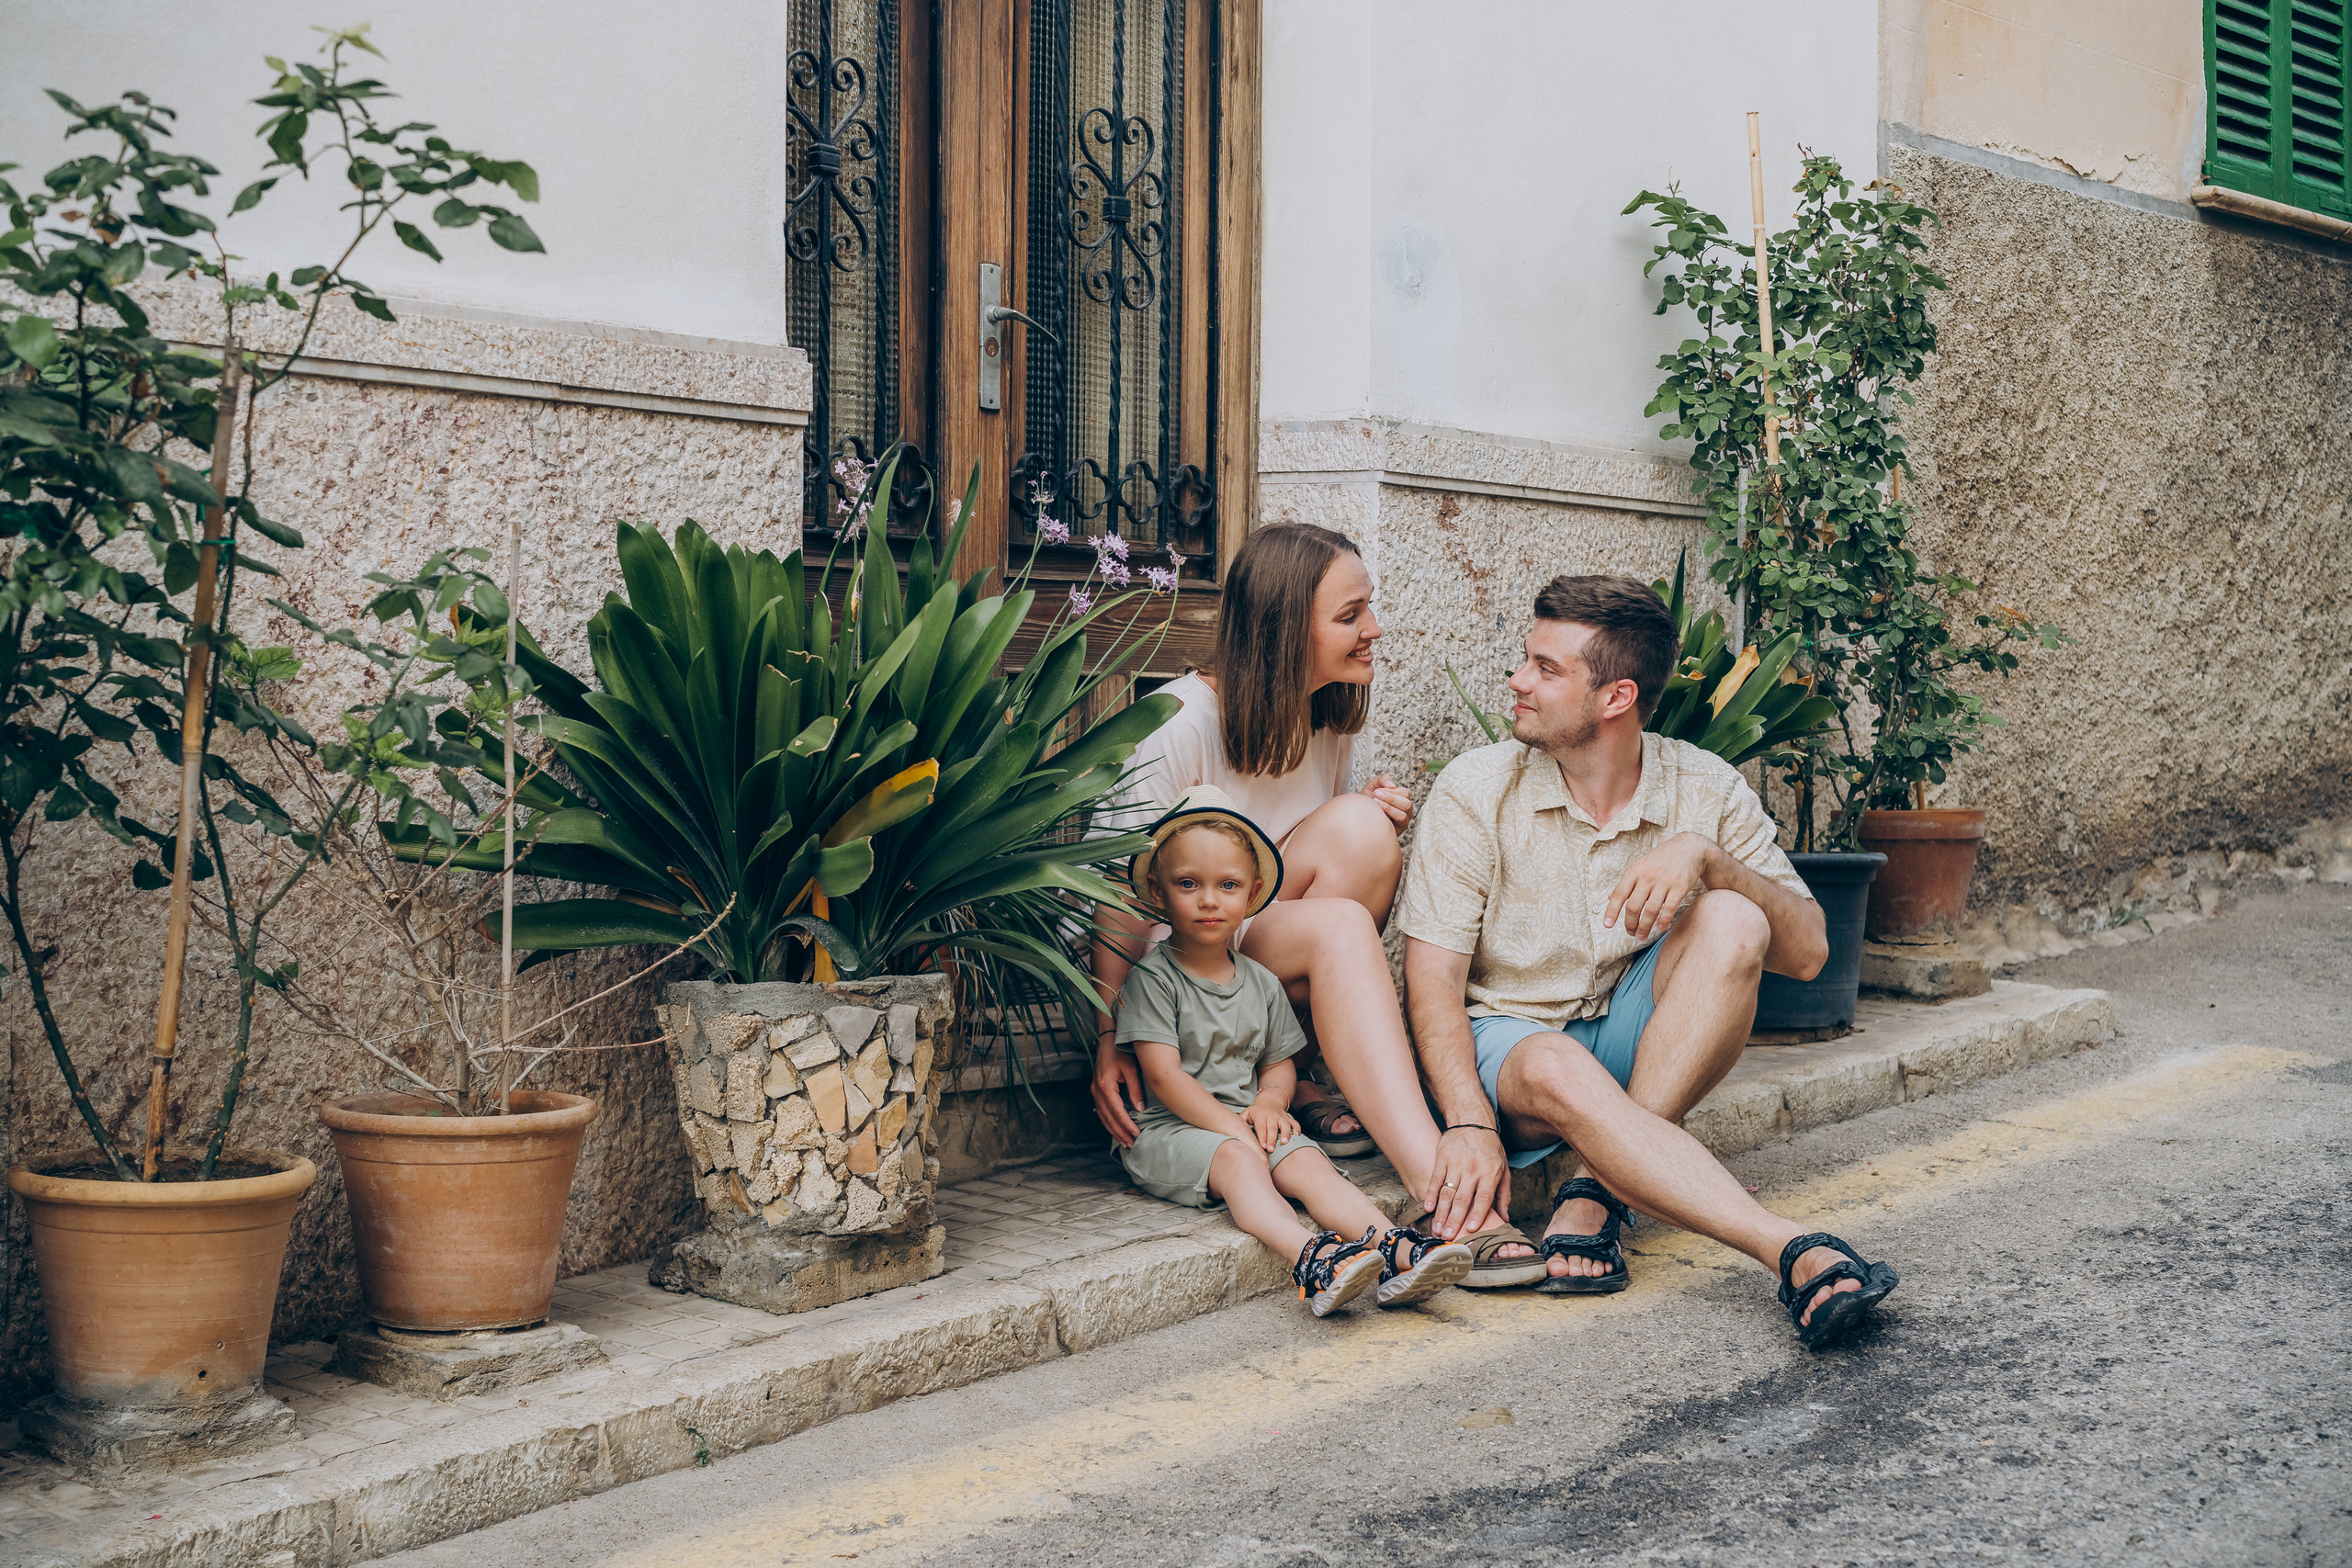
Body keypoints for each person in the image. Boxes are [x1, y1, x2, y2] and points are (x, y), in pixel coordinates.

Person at [1396, 573, 1901, 1348]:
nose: (1518, 682)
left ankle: (1594, 1187)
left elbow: (1808, 954)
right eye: (1526, 660)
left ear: (1616, 697)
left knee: (1735, 917)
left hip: (1632, 1031)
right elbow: (1430, 984)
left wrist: (1709, 859)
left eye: (1546, 668)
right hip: (1516, 1050)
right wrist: (1467, 1120)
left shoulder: (1703, 785)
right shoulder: (1476, 790)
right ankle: (1786, 1246)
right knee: (1560, 1064)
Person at [1090, 524, 1549, 1288]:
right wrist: (1108, 1037)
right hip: (1171, 995)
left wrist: (1359, 810)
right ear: (1281, 626)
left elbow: (1289, 867)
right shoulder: (1178, 723)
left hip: (1247, 971)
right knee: (1338, 921)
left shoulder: (1322, 721)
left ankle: (1286, 1072)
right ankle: (1442, 1191)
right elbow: (1114, 896)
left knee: (1365, 831)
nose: (1373, 629)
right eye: (1350, 614)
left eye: (1368, 608)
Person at [1113, 787, 1474, 1314]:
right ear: (1158, 892)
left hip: (1244, 1118)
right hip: (1169, 1130)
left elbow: (1278, 1063)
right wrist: (1237, 1128)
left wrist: (1270, 1104)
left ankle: (1395, 1247)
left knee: (1306, 1159)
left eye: (1227, 885)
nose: (1209, 900)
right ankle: (1311, 1258)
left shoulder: (1259, 980)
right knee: (1240, 1158)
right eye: (1188, 884)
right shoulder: (1153, 978)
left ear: (1253, 893)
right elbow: (1165, 1077)